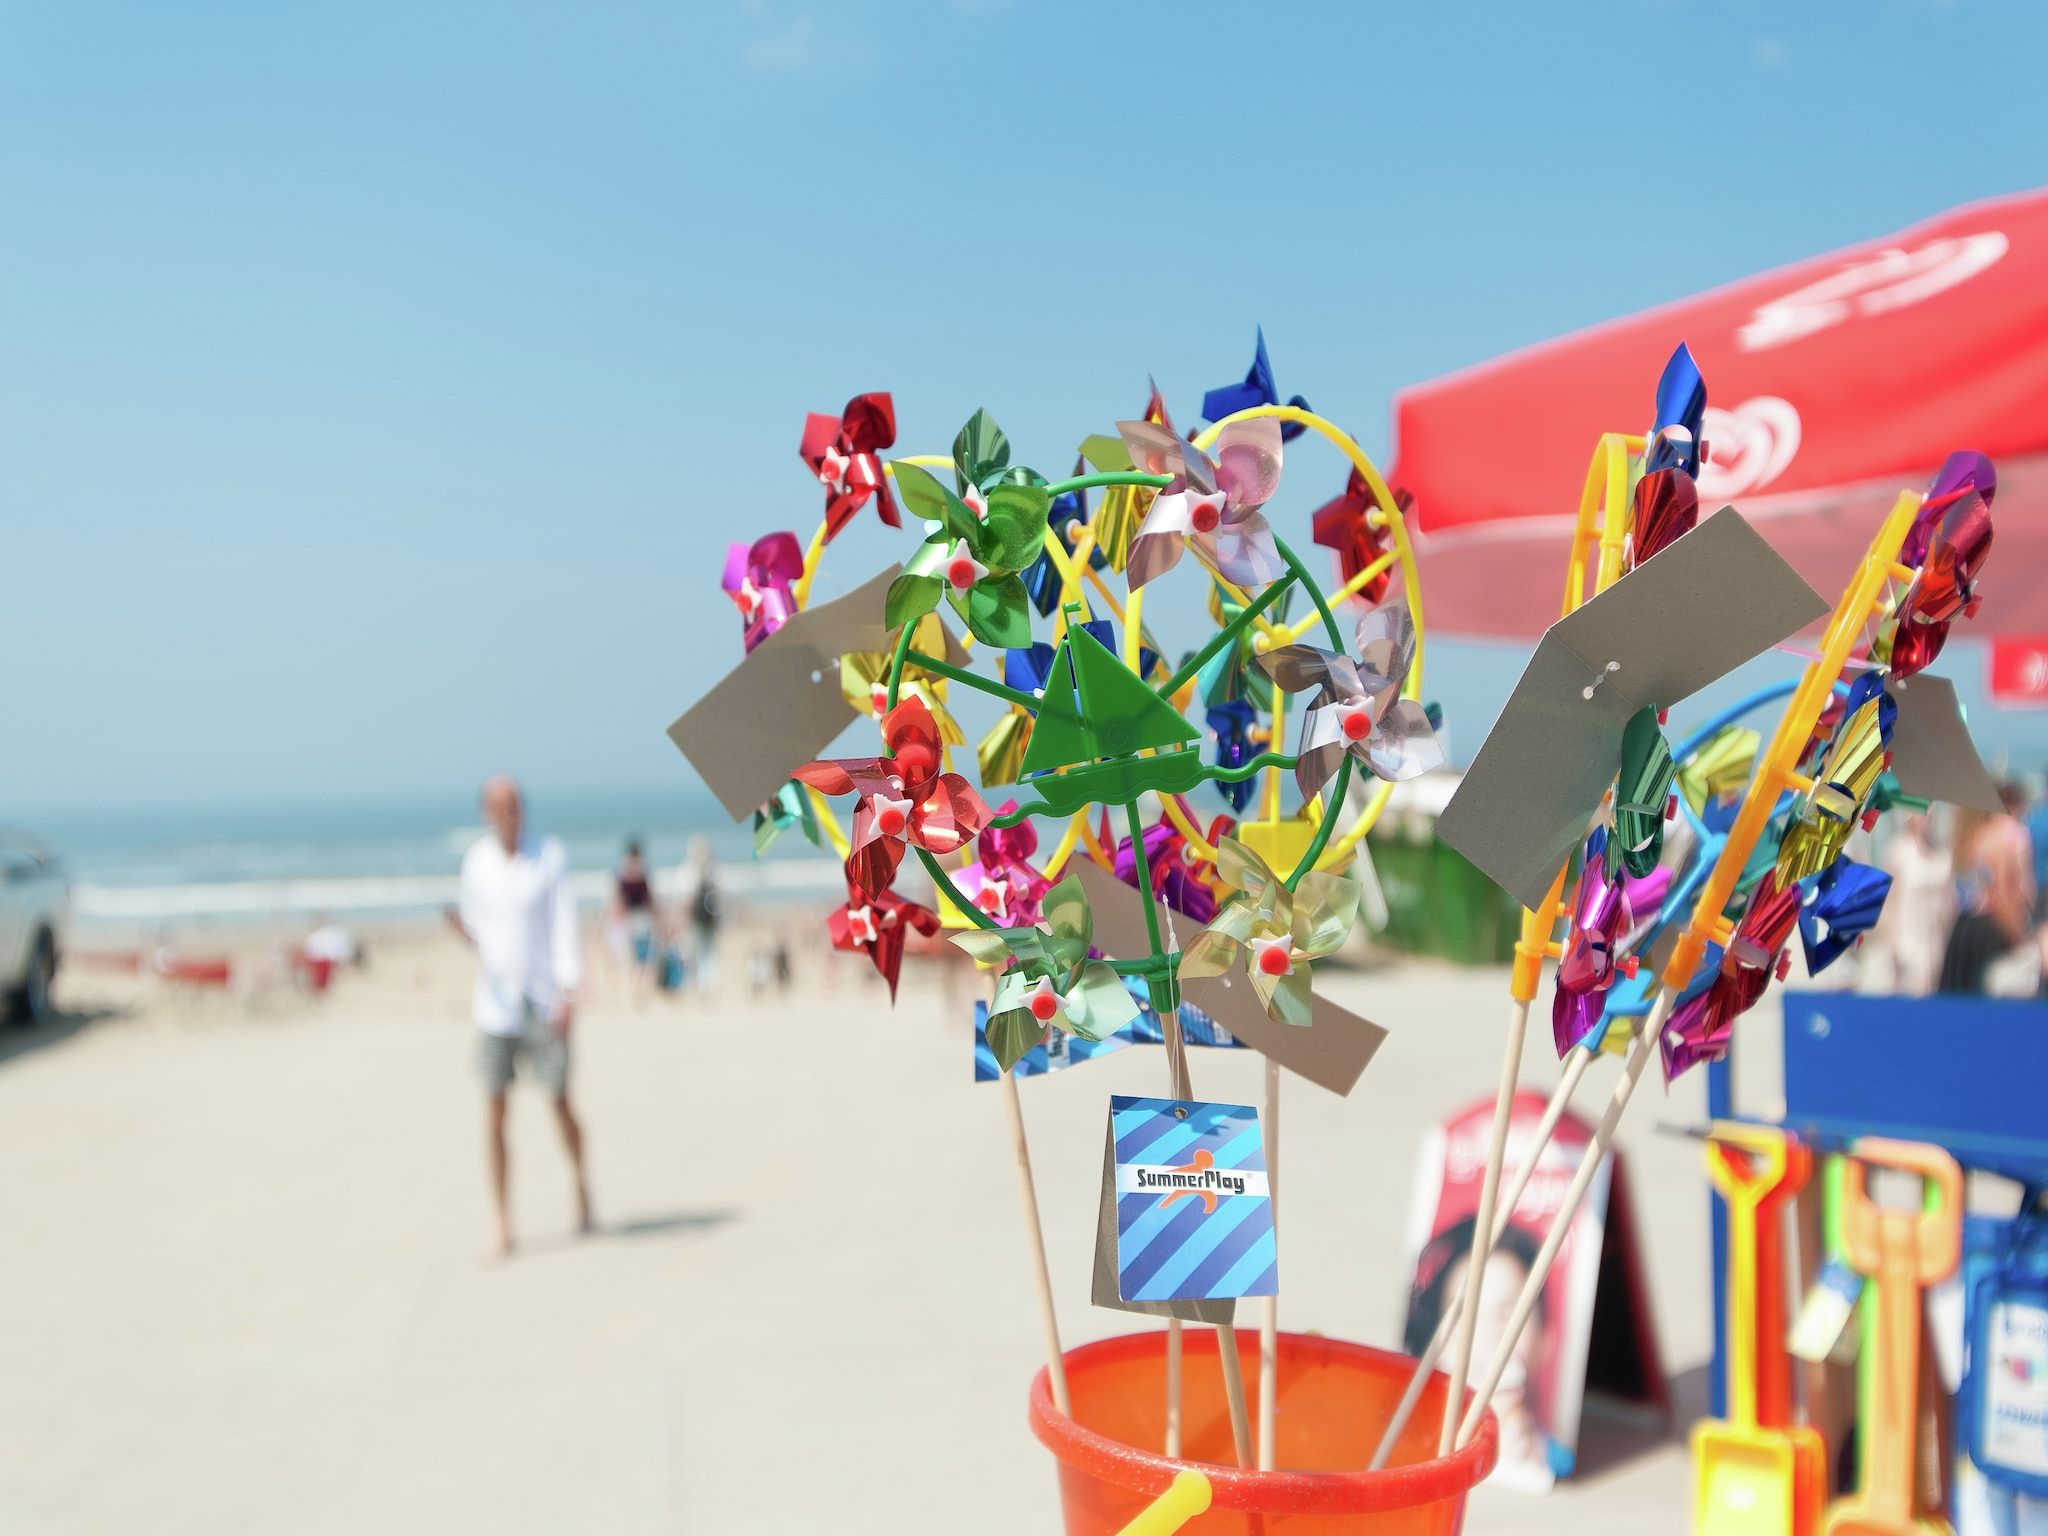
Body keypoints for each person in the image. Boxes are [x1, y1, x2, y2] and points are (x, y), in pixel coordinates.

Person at [445, 774, 592, 1259]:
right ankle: (503, 1220)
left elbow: (564, 924)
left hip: (545, 999)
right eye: (500, 805)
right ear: (486, 811)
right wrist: (461, 931)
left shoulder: (547, 857)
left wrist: (569, 991)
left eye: (516, 804)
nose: (511, 812)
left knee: (559, 1101)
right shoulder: (476, 863)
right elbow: (479, 933)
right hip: (495, 1005)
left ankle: (581, 1184)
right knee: (494, 1111)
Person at [1939, 785, 2039, 996]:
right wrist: (2021, 939)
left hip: (1963, 930)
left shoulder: (1971, 839)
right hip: (1990, 933)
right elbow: (2001, 896)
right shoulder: (2004, 837)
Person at [1866, 812, 1954, 996]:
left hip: (1936, 945)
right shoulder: (1898, 852)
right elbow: (1886, 903)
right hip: (1906, 946)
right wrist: (1893, 944)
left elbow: (1950, 905)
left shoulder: (1943, 855)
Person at [604, 838, 663, 998]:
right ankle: (641, 986)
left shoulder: (622, 872)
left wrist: (610, 918)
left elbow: (617, 899)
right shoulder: (643, 873)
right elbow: (650, 898)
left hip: (628, 919)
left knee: (630, 955)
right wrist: (659, 917)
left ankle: (635, 986)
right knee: (643, 956)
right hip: (642, 918)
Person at [675, 835, 722, 995]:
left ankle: (696, 986)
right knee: (708, 954)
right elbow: (718, 898)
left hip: (694, 920)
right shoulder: (712, 869)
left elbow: (683, 901)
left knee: (693, 953)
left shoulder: (686, 872)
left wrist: (680, 920)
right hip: (709, 920)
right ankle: (707, 986)